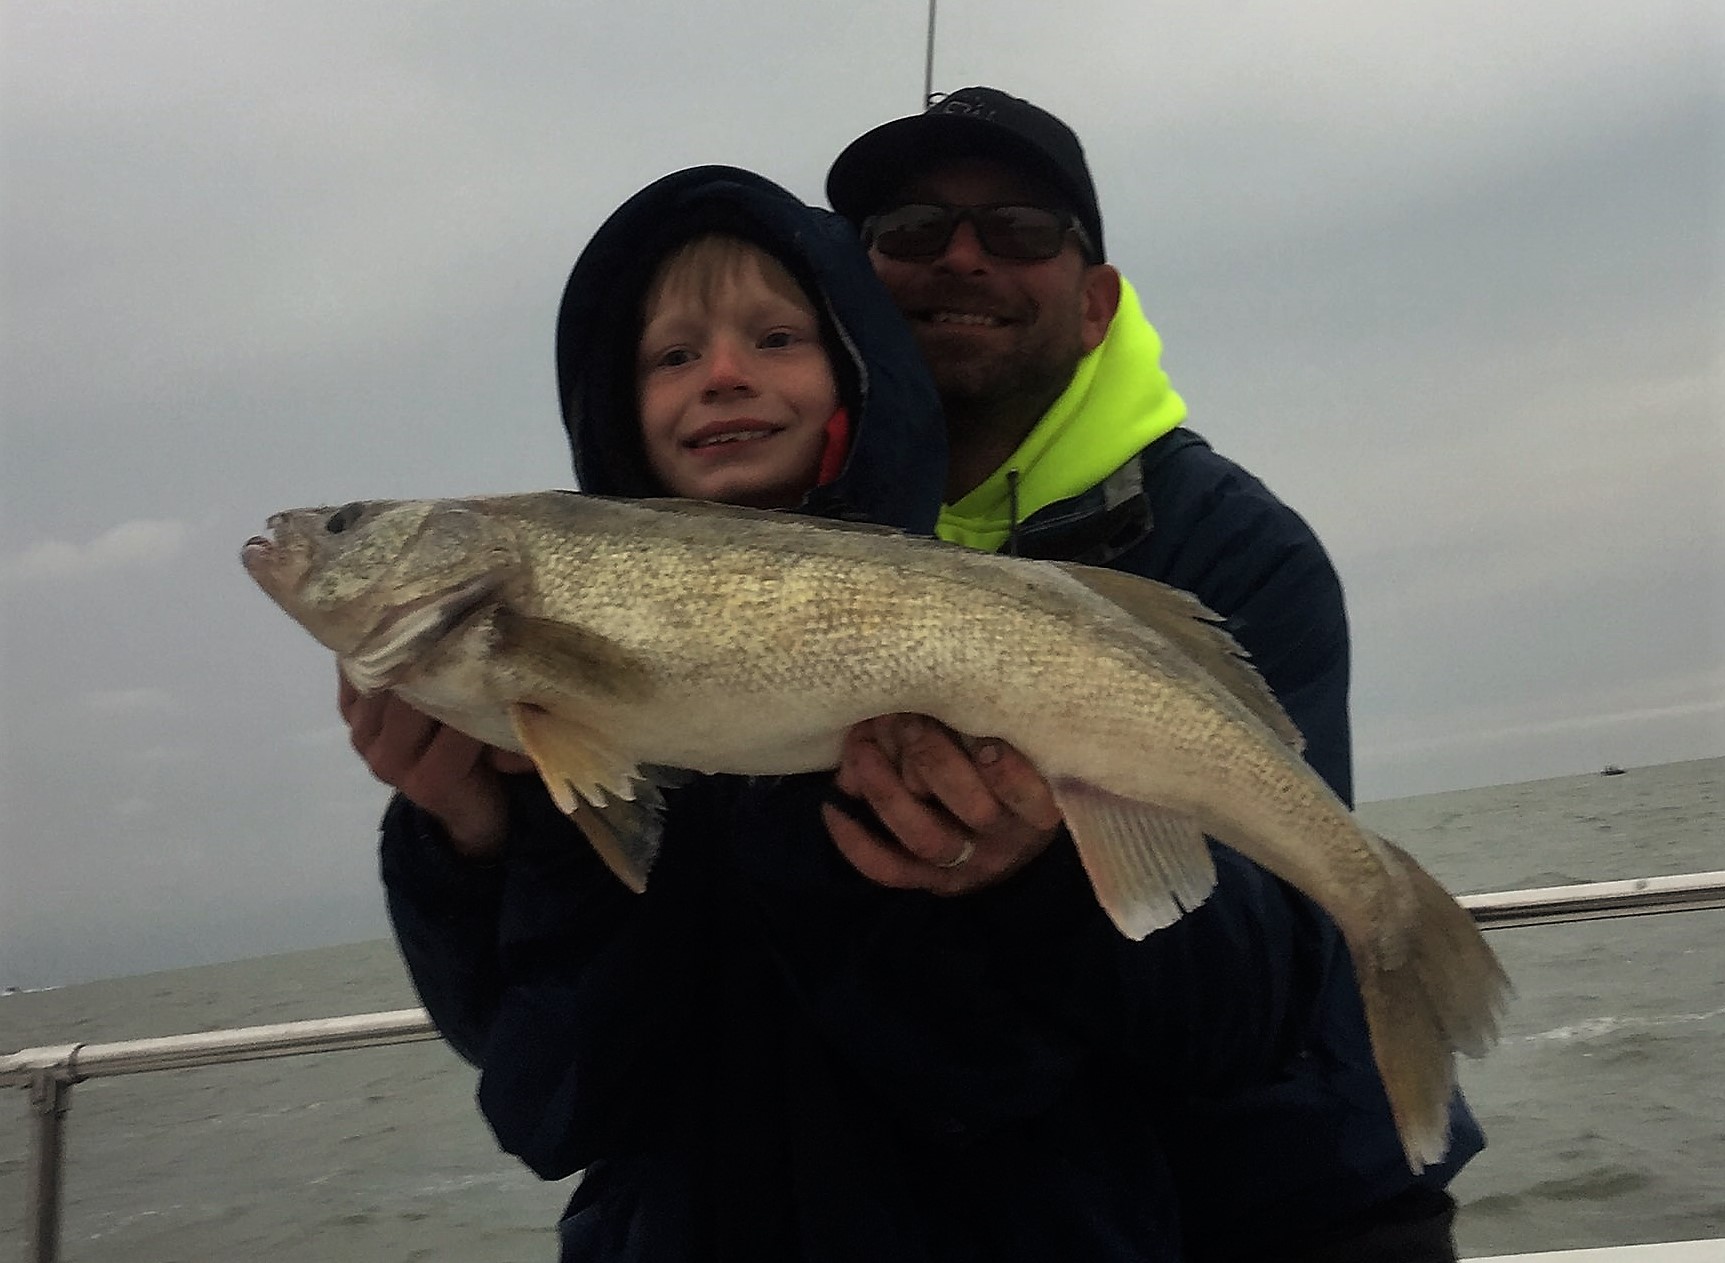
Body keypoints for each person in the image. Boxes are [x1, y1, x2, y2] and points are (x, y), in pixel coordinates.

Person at [820, 86, 1485, 1260]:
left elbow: (1252, 986)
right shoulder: (796, 538)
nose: (962, 256)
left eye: (1021, 231)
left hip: (1280, 1206)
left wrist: (1044, 869)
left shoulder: (1239, 547)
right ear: (848, 287)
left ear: (1097, 304)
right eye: (911, 230)